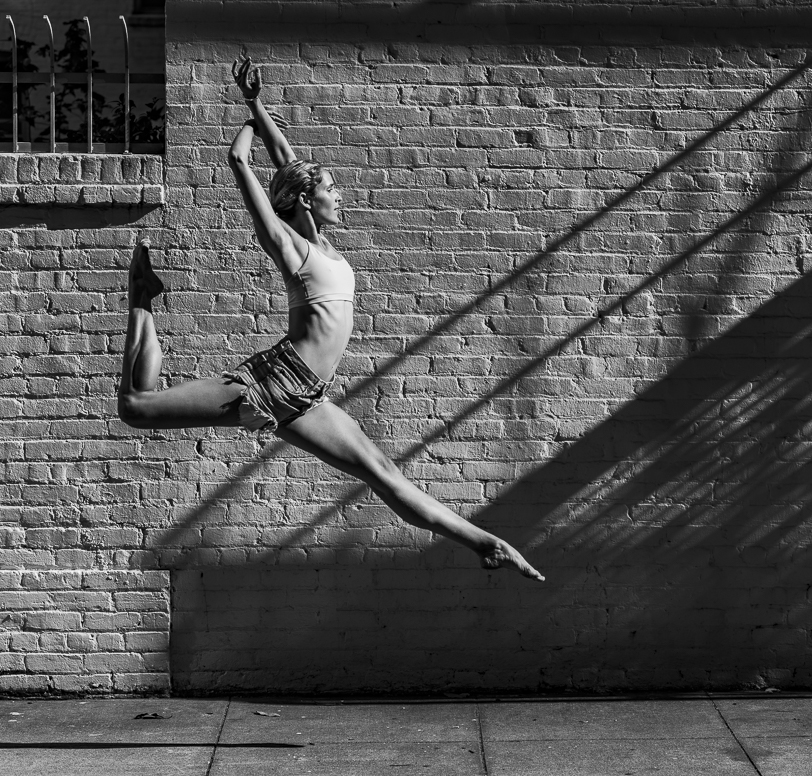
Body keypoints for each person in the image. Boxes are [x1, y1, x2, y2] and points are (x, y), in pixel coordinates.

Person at [116, 57, 544, 581]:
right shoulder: (289, 245)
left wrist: (254, 103)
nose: (340, 195)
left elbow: (287, 162)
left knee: (383, 472)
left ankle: (486, 543)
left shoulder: (323, 246)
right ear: (305, 200)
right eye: (331, 188)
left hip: (307, 395)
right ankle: (142, 297)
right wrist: (245, 132)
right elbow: (240, 160)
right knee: (136, 407)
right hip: (272, 385)